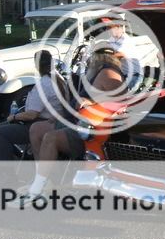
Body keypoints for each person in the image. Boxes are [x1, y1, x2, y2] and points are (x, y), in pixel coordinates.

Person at [22, 50, 126, 202]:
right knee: (36, 130)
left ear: (99, 58)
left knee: (50, 138)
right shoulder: (103, 73)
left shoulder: (107, 73)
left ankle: (39, 185)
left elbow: (118, 103)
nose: (88, 61)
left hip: (91, 126)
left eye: (91, 57)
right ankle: (48, 178)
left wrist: (90, 103)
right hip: (77, 120)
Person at [0, 50, 64, 161]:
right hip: (56, 121)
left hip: (41, 123)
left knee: (1, 131)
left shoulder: (43, 84)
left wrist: (14, 117)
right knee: (0, 127)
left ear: (37, 65)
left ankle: (3, 169)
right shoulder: (60, 79)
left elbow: (32, 115)